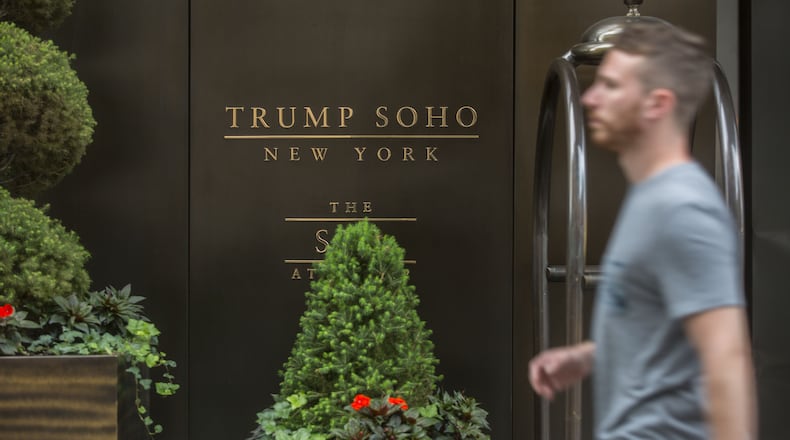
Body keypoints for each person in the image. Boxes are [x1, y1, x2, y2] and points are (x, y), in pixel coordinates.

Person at [528, 21, 757, 440]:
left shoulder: (683, 209)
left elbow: (725, 361)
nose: (590, 97)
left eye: (611, 86)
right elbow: (664, 334)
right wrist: (584, 357)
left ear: (657, 104)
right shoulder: (650, 200)